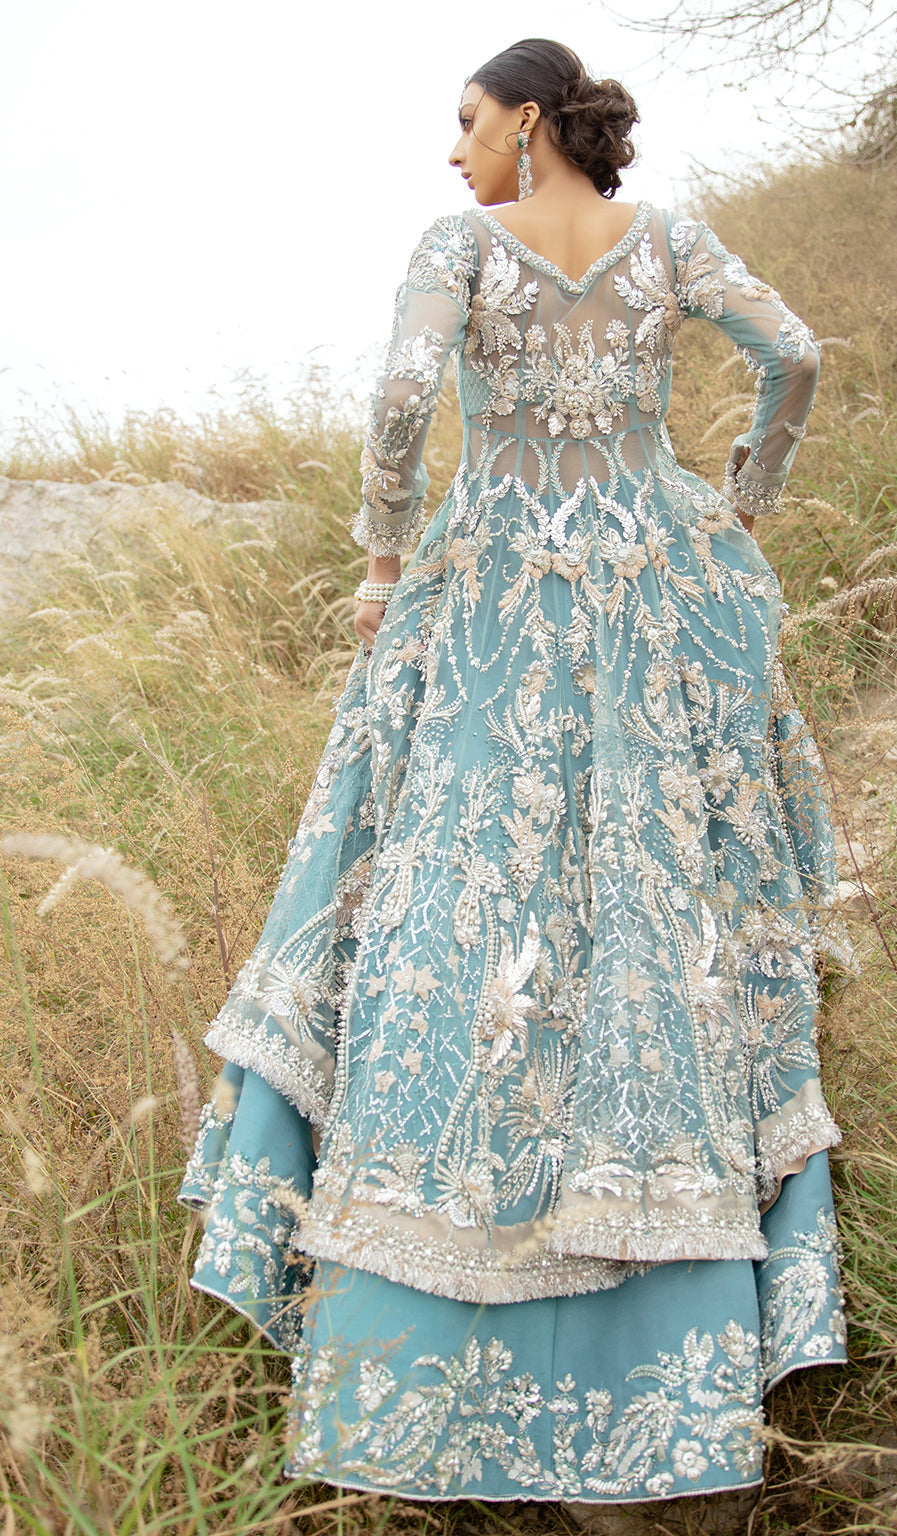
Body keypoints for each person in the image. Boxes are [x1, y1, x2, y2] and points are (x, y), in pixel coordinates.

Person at [178, 37, 852, 1519]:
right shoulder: (668, 240)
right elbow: (795, 351)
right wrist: (742, 501)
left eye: (468, 120)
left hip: (492, 603)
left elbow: (403, 396)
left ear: (528, 120)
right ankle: (662, 1306)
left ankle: (431, 1308)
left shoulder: (459, 246)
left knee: (455, 893)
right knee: (653, 903)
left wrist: (382, 560)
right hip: (651, 587)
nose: (454, 150)